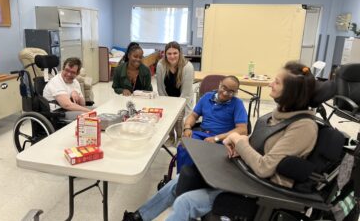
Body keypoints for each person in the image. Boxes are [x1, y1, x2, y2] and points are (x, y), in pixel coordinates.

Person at [122, 61, 318, 221]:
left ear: (291, 92)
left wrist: (236, 140)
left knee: (185, 202)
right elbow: (256, 146)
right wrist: (239, 146)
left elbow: (265, 167)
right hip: (242, 172)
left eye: (276, 82)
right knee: (184, 177)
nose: (269, 84)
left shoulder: (303, 127)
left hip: (259, 188)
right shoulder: (274, 117)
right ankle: (139, 217)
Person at [176, 75, 248, 172]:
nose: (225, 93)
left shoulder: (237, 103)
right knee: (185, 147)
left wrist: (216, 138)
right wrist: (187, 127)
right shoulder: (206, 97)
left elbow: (242, 130)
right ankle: (182, 178)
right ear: (220, 84)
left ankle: (199, 178)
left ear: (235, 92)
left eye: (231, 91)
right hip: (202, 133)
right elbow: (193, 115)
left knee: (206, 155)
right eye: (224, 87)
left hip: (223, 140)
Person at [156, 41, 194, 145]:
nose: (172, 56)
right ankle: (171, 137)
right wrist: (166, 103)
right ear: (165, 54)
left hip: (183, 99)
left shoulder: (188, 67)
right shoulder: (160, 65)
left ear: (180, 53)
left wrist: (177, 107)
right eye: (169, 53)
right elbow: (160, 88)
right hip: (167, 97)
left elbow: (185, 93)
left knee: (179, 119)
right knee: (168, 117)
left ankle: (181, 138)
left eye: (175, 53)